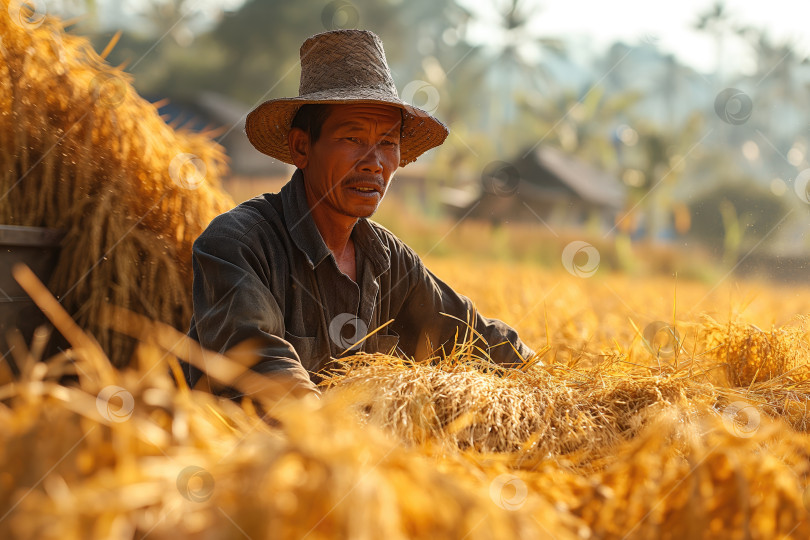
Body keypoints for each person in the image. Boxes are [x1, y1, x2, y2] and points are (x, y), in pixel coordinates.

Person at [182, 29, 534, 398]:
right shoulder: (240, 243)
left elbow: (473, 337)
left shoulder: (389, 262)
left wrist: (546, 380)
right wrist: (342, 440)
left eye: (387, 143)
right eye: (352, 139)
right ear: (302, 148)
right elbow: (260, 365)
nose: (374, 163)